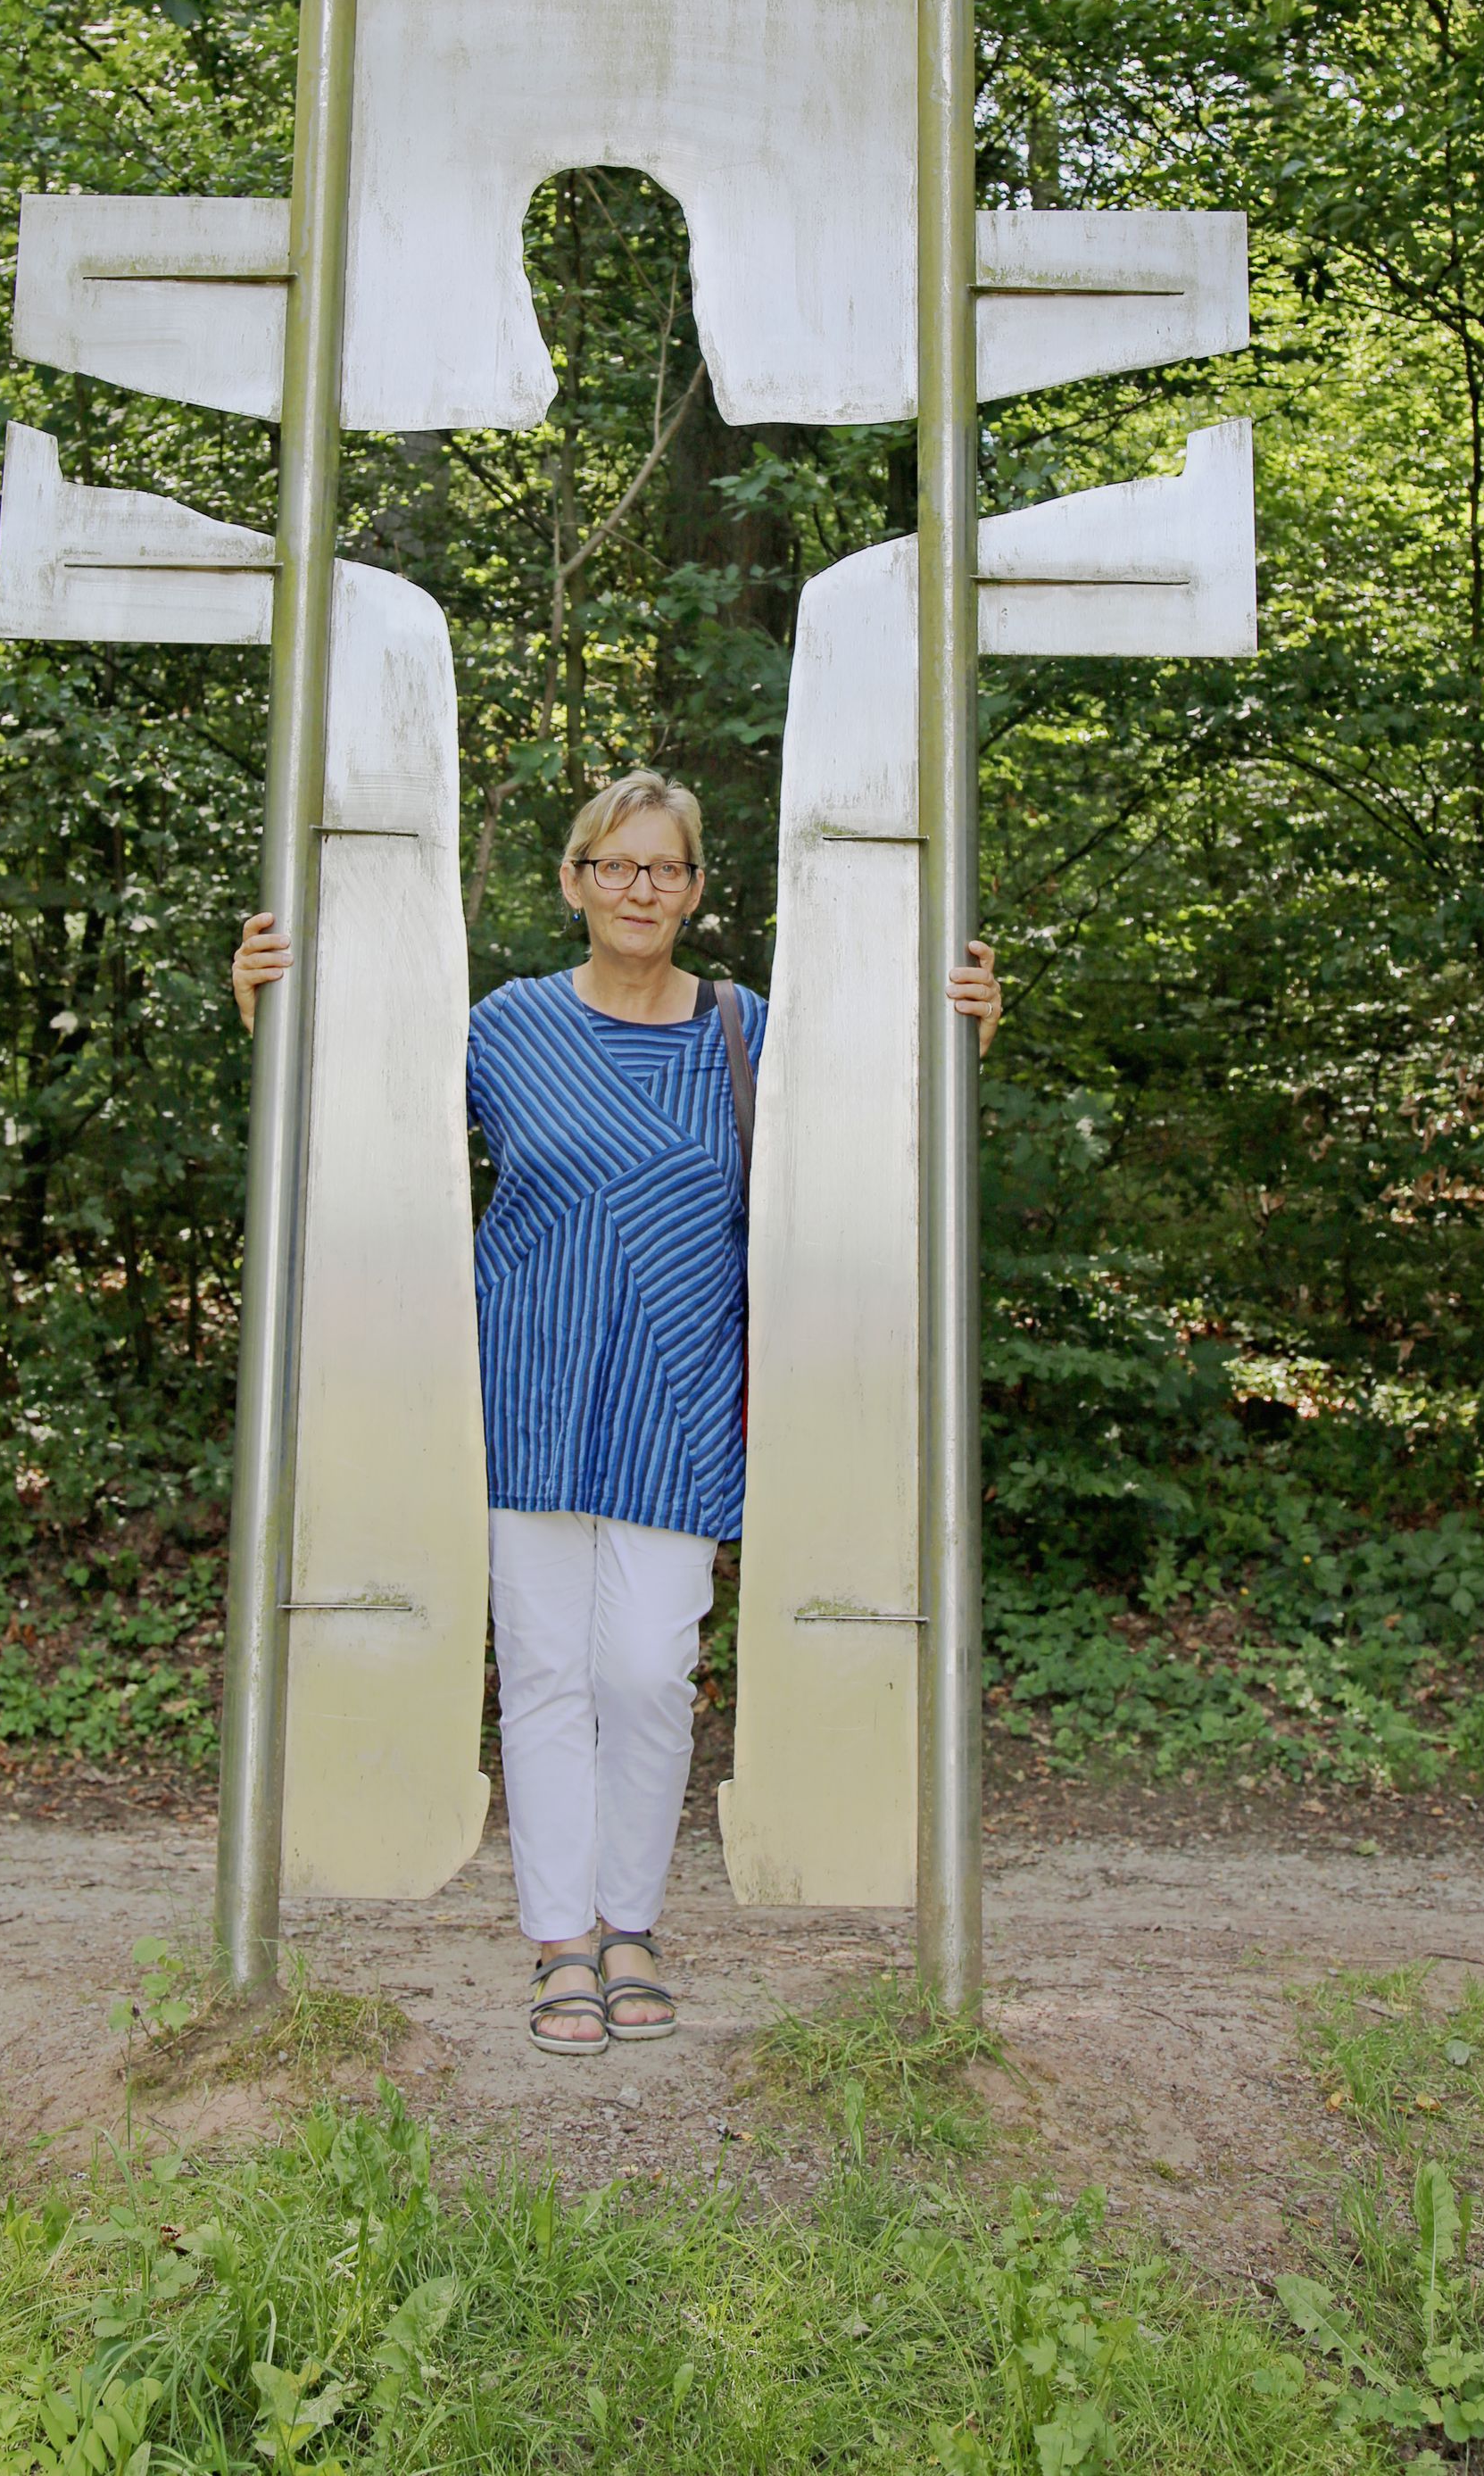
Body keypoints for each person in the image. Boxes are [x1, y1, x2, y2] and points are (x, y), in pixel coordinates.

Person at [233, 769, 1002, 2053]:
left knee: (647, 1673)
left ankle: (631, 1920)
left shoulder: (752, 1031)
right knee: (542, 1673)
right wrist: (268, 1006)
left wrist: (964, 1033)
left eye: (665, 867)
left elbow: (883, 1131)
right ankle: (562, 1944)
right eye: (616, 864)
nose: (640, 888)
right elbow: (359, 1110)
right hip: (525, 1387)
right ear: (575, 881)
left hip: (680, 1395)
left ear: (695, 889)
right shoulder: (505, 1028)